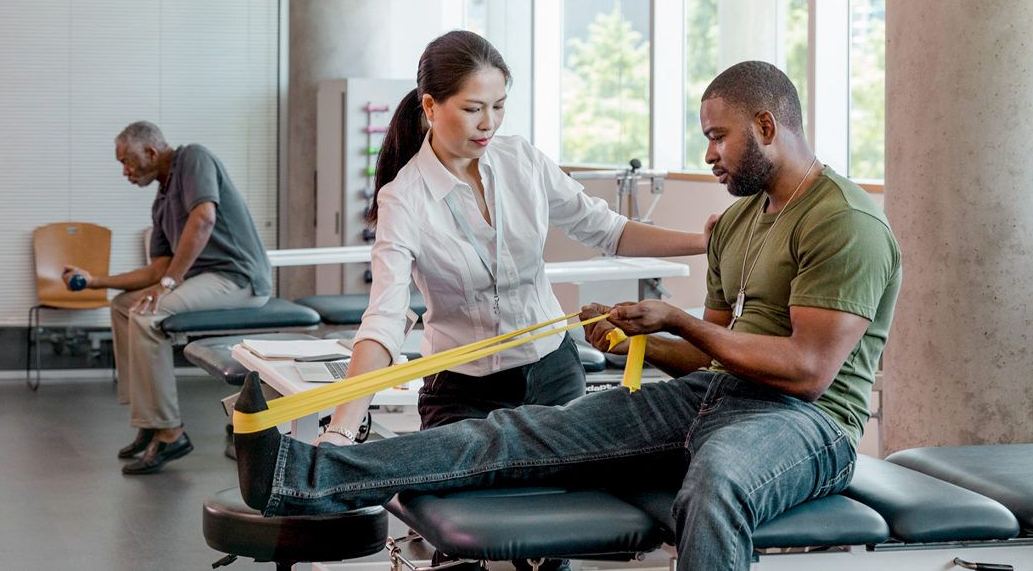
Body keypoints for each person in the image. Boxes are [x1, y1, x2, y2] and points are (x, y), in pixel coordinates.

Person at [232, 61, 901, 570]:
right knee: (517, 432)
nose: (708, 156)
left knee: (716, 484)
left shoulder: (842, 222)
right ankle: (302, 475)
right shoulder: (739, 223)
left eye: (718, 138)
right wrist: (628, 338)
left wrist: (676, 320)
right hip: (717, 395)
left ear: (766, 128)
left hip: (809, 423)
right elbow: (713, 352)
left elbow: (809, 372)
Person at [318, 30, 713, 453]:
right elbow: (385, 319)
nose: (488, 123)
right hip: (463, 391)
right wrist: (343, 427)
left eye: (499, 106)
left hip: (554, 372)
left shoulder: (521, 161)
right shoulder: (404, 199)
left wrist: (703, 242)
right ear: (430, 105)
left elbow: (608, 230)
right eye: (473, 109)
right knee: (457, 509)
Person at [63, 121, 273, 475]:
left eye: (127, 162)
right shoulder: (161, 203)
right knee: (124, 307)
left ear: (151, 151)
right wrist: (96, 280)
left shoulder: (193, 158)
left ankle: (170, 432)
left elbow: (203, 219)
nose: (125, 172)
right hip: (206, 280)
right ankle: (149, 420)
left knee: (147, 317)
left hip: (239, 279)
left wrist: (169, 283)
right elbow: (154, 270)